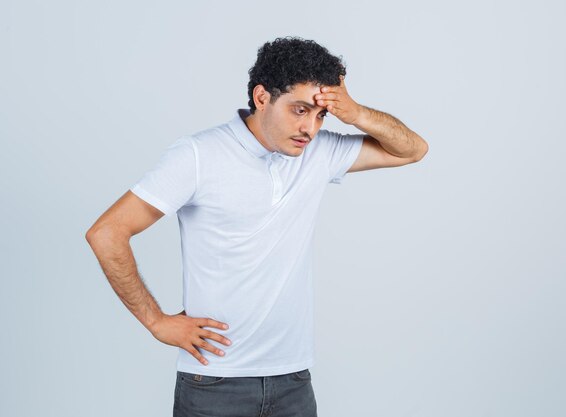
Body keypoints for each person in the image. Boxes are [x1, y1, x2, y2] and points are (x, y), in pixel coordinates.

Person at [85, 36, 428, 417]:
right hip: (214, 382)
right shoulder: (198, 155)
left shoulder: (319, 153)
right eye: (299, 110)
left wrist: (355, 112)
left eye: (320, 115)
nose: (310, 128)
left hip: (293, 380)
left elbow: (413, 149)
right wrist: (156, 321)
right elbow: (107, 232)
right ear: (262, 96)